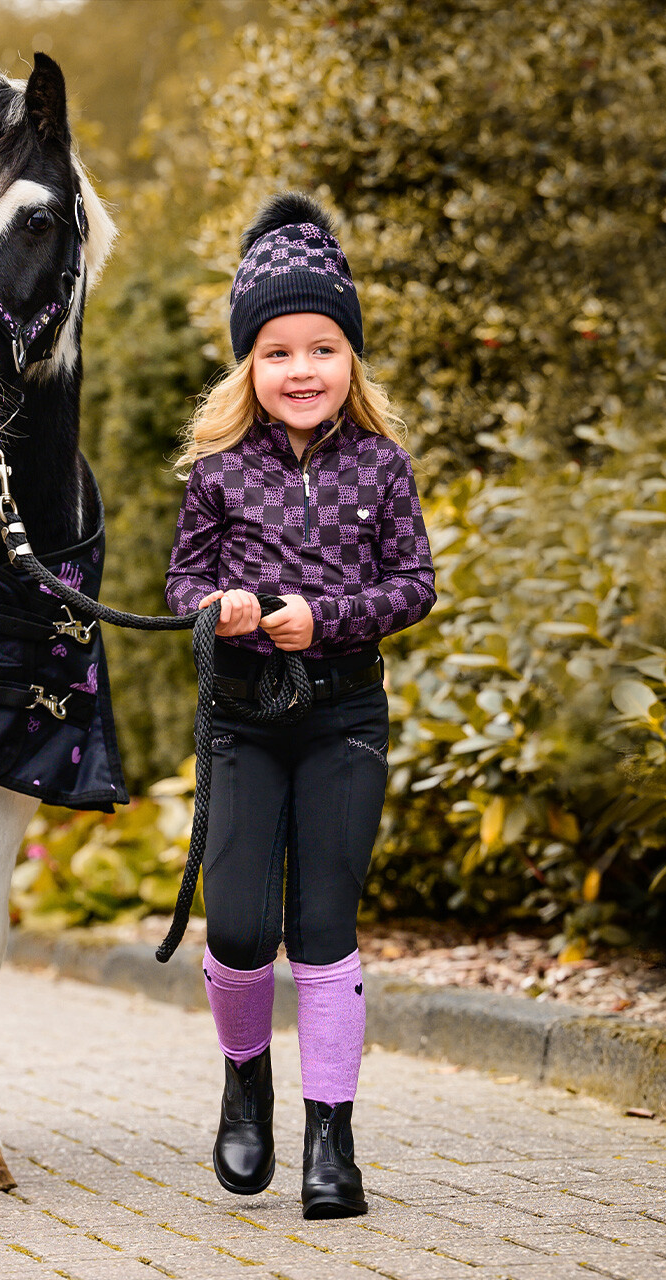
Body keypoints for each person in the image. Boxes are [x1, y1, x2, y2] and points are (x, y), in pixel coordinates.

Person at [165, 192, 436, 1219]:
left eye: (321, 346)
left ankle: (332, 1141)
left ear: (348, 358)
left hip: (341, 718)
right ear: (248, 365)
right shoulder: (216, 470)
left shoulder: (381, 464)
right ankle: (244, 1084)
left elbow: (413, 584)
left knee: (322, 925)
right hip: (239, 720)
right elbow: (177, 586)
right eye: (276, 350)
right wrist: (221, 609)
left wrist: (319, 619)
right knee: (238, 926)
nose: (300, 368)